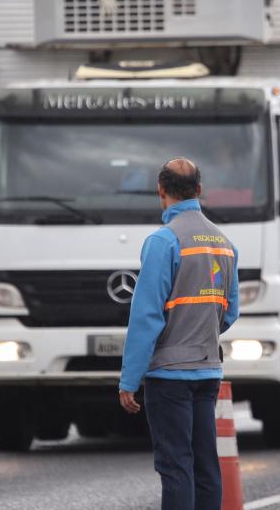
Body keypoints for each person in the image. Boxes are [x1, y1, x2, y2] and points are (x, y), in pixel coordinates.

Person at [119, 158, 240, 509]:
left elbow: (146, 318)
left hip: (169, 376)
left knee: (175, 466)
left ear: (161, 191)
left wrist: (130, 379)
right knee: (206, 465)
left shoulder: (163, 242)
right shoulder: (224, 243)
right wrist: (200, 334)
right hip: (208, 371)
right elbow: (229, 311)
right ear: (199, 191)